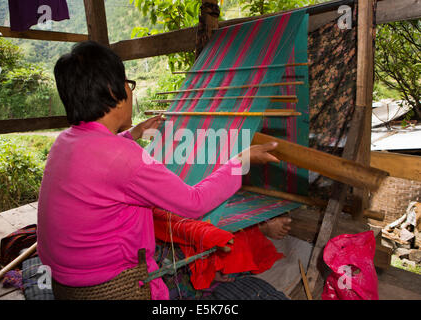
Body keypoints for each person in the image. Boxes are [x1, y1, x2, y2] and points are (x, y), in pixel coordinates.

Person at [36, 40, 284, 300]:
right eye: (127, 83)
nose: (130, 91)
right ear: (113, 91)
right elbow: (194, 202)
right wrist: (240, 161)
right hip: (106, 285)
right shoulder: (126, 159)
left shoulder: (65, 141)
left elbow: (99, 162)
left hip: (63, 280)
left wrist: (133, 133)